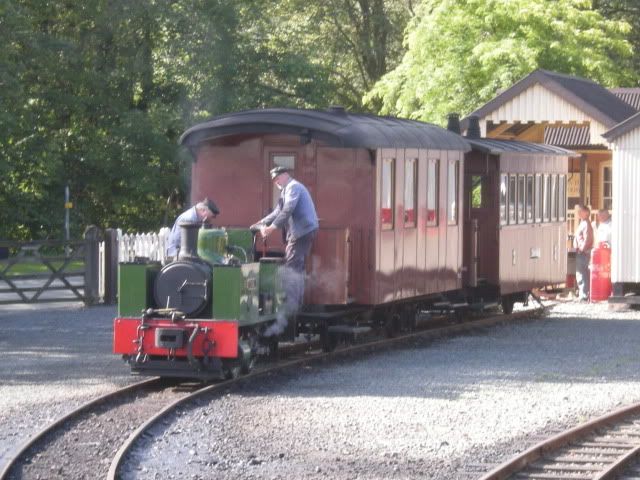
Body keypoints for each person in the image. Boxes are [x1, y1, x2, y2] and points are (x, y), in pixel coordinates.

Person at [252, 166, 319, 314]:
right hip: (301, 231)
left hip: (302, 231)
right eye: (274, 180)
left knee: (292, 264)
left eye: (277, 178)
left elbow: (288, 209)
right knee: (297, 264)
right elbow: (277, 211)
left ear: (285, 175)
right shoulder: (286, 190)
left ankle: (291, 305)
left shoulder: (293, 187)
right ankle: (295, 302)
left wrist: (271, 228)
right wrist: (260, 223)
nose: (275, 181)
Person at [573, 205, 594, 302]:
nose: (579, 213)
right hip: (581, 251)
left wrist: (583, 248)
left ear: (586, 212)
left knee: (582, 273)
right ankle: (583, 294)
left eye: (581, 211)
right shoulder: (582, 223)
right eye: (578, 211)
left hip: (583, 252)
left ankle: (584, 295)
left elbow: (588, 239)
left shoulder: (586, 224)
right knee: (581, 273)